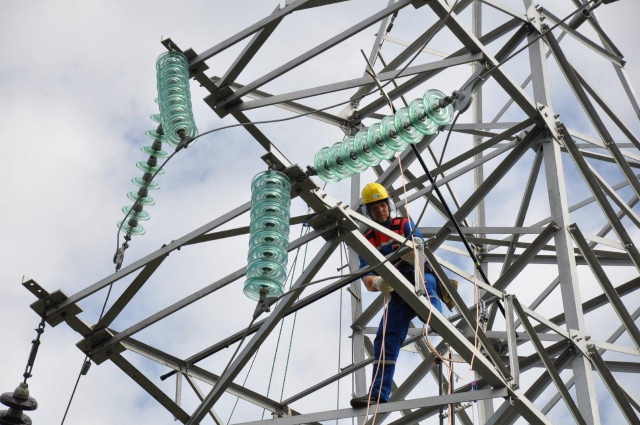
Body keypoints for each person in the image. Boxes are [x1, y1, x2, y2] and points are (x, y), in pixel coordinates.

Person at [350, 182, 443, 409]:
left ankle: (436, 320)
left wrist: (412, 253)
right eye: (374, 208)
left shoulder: (403, 224)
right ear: (368, 212)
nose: (379, 211)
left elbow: (419, 246)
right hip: (397, 291)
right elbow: (367, 277)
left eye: (382, 206)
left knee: (427, 291)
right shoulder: (368, 240)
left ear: (388, 205)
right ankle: (379, 393)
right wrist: (379, 282)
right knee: (384, 339)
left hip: (418, 277)